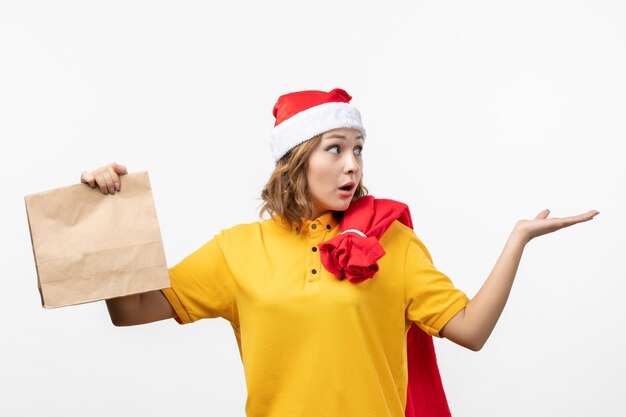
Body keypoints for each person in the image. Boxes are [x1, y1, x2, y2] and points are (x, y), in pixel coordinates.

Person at [80, 88, 599, 417]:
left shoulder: (390, 242)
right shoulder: (238, 250)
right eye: (335, 147)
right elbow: (130, 311)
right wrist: (110, 218)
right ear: (295, 160)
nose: (353, 164)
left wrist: (517, 240)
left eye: (358, 148)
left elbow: (471, 331)